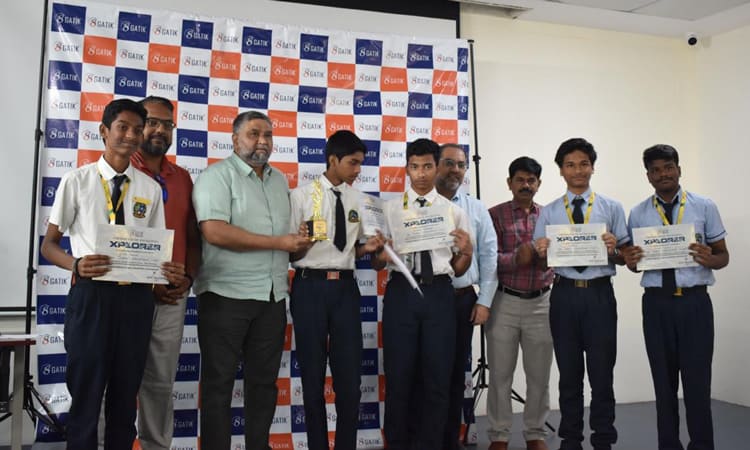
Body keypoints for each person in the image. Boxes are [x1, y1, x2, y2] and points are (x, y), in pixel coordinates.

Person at [40, 99, 184, 449]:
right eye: (122, 127)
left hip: (136, 299)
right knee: (87, 395)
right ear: (104, 131)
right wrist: (75, 264)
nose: (131, 135)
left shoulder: (149, 189)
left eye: (138, 129)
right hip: (92, 296)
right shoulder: (77, 181)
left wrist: (166, 271)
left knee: (125, 396)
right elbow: (49, 245)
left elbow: (156, 250)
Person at [192, 110, 311, 449]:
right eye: (254, 133)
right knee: (218, 386)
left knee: (263, 385)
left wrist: (299, 242)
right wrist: (279, 243)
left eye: (268, 135)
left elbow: (285, 241)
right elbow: (214, 231)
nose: (262, 141)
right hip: (225, 296)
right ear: (235, 140)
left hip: (272, 297)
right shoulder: (216, 177)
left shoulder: (278, 181)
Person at [623, 145, 728, 450]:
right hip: (656, 304)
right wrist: (630, 261)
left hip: (695, 303)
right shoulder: (638, 213)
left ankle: (702, 444)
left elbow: (723, 256)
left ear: (678, 170)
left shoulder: (704, 206)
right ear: (648, 176)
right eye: (655, 170)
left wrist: (710, 258)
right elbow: (634, 264)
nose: (663, 174)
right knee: (663, 383)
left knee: (698, 383)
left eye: (668, 167)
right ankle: (668, 445)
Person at [372, 138, 473, 450]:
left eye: (427, 166)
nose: (421, 173)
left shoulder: (453, 212)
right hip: (402, 292)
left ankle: (431, 444)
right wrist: (381, 254)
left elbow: (458, 268)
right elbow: (376, 263)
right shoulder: (388, 210)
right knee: (399, 376)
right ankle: (398, 444)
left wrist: (467, 251)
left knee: (437, 377)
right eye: (414, 167)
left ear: (437, 167)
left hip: (440, 293)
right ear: (406, 168)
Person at [288, 130, 384, 450]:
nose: (358, 170)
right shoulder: (301, 196)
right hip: (309, 287)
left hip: (345, 289)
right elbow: (289, 250)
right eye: (353, 163)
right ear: (333, 160)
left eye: (361, 163)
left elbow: (352, 250)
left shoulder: (361, 200)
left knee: (349, 379)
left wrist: (368, 247)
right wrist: (302, 243)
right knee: (312, 378)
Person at [533, 138, 629, 450]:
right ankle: (570, 439)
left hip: (600, 296)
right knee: (569, 373)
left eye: (584, 164)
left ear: (593, 167)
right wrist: (541, 251)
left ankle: (604, 439)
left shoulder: (611, 208)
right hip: (564, 296)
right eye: (570, 165)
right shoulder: (549, 212)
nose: (578, 171)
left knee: (602, 373)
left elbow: (626, 258)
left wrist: (615, 249)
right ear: (561, 170)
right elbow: (540, 261)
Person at [132, 96, 201, 449]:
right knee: (112, 379)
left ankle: (156, 445)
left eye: (168, 124)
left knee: (160, 382)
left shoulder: (183, 178)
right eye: (152, 122)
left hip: (172, 296)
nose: (160, 130)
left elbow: (193, 236)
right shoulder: (119, 170)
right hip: (126, 293)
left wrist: (188, 278)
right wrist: (148, 282)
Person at [487, 157, 554, 450]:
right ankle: (499, 435)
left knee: (539, 375)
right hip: (504, 301)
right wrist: (516, 258)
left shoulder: (551, 215)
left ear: (539, 184)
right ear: (510, 183)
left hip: (542, 302)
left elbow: (563, 255)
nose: (526, 185)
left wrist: (549, 258)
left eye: (531, 180)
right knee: (500, 374)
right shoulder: (495, 215)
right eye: (520, 180)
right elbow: (488, 258)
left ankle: (535, 433)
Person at [434, 143, 498, 450]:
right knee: (427, 371)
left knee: (455, 373)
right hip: (426, 298)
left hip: (461, 298)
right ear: (436, 165)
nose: (455, 170)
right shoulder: (420, 205)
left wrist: (484, 301)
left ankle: (449, 440)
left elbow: (489, 256)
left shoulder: (476, 209)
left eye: (461, 165)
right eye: (449, 163)